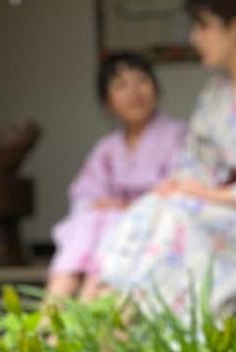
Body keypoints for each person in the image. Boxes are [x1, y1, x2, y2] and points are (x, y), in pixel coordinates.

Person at [92, 0, 236, 322]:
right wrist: (180, 187)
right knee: (152, 208)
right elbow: (195, 163)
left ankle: (132, 320)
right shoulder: (216, 92)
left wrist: (199, 194)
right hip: (227, 205)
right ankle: (109, 304)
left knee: (180, 218)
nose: (194, 37)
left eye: (203, 26)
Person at [47, 53, 185, 301]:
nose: (134, 92)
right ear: (107, 101)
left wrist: (130, 207)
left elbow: (181, 185)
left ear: (156, 87)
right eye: (121, 85)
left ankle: (85, 308)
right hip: (109, 227)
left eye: (141, 81)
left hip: (154, 222)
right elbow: (86, 192)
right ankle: (53, 306)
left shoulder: (177, 135)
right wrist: (108, 208)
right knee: (90, 220)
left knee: (109, 224)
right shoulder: (107, 147)